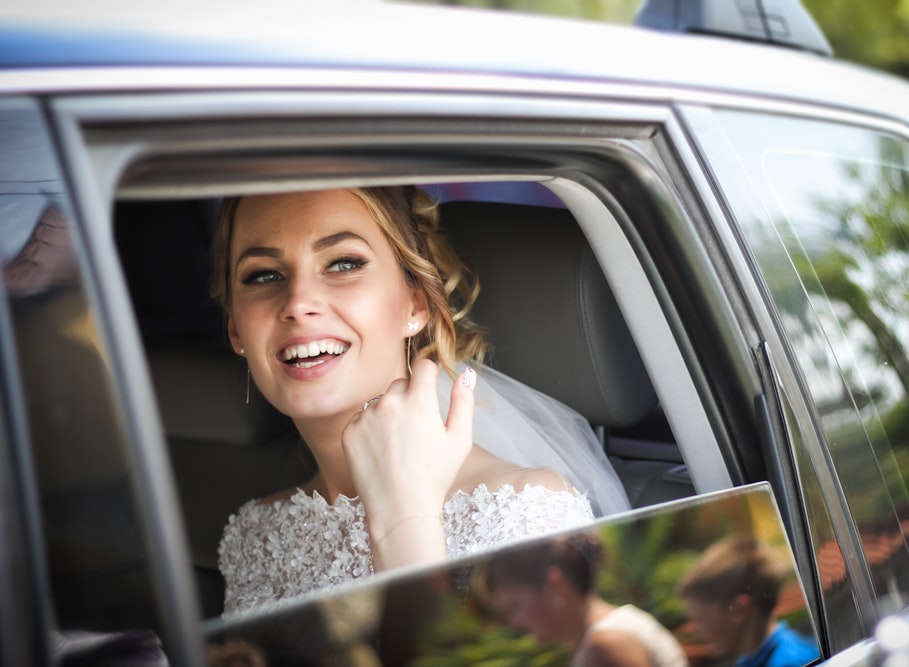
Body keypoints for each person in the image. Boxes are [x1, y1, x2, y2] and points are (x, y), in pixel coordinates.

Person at [212, 186, 630, 615]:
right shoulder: (255, 535)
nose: (298, 303)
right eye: (263, 275)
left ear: (415, 303)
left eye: (343, 264)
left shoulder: (525, 515)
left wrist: (404, 524)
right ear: (236, 330)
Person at [479, 534, 688, 667]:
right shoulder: (601, 637)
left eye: (515, 607)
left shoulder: (607, 644)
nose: (514, 623)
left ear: (555, 584)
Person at [676, 536, 820, 667]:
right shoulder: (748, 661)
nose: (696, 632)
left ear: (739, 609)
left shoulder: (792, 662)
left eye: (700, 620)